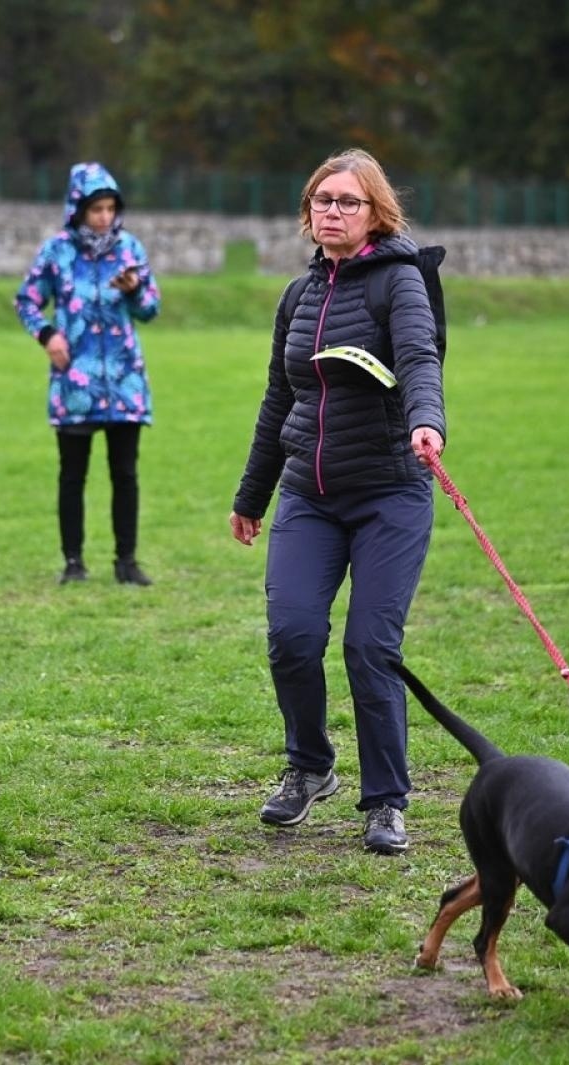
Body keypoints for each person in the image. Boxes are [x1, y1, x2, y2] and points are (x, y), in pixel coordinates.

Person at [229, 148, 446, 855]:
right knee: (292, 635)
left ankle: (386, 802)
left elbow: (419, 358)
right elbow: (278, 398)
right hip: (308, 496)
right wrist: (252, 494)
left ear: (376, 212)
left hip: (390, 493)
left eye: (348, 201)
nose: (331, 211)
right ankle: (310, 765)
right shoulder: (299, 296)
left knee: (370, 647)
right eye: (322, 200)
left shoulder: (399, 281)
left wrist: (427, 420)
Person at [14, 162, 161, 586]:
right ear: (78, 209)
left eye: (110, 208)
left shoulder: (130, 249)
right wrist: (47, 336)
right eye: (96, 209)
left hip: (124, 381)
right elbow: (26, 300)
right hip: (74, 381)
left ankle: (127, 562)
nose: (104, 217)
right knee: (72, 475)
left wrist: (135, 290)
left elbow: (150, 310)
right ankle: (73, 563)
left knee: (125, 474)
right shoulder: (57, 251)